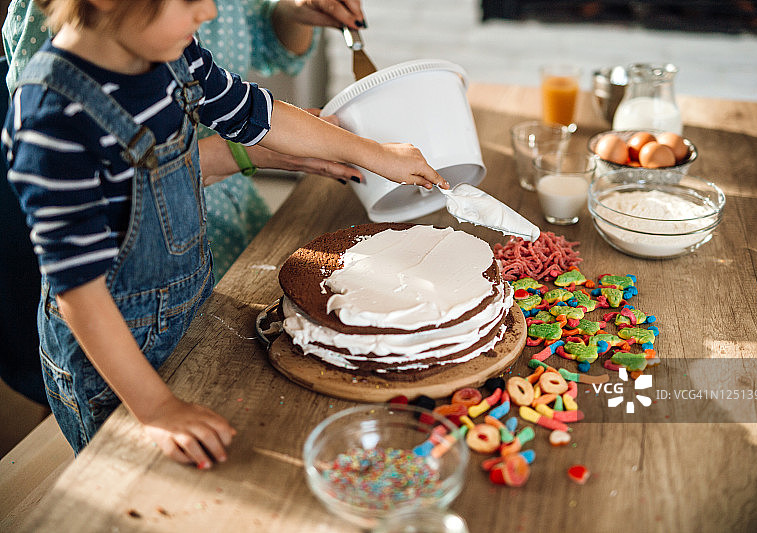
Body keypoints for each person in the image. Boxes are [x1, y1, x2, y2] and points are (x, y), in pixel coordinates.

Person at [3, 0, 447, 468]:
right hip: (115, 364)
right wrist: (157, 410)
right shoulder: (51, 118)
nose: (209, 12)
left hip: (192, 311)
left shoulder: (174, 54)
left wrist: (375, 153)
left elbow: (258, 113)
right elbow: (80, 294)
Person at [3, 0, 367, 281]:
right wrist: (241, 151)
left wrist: (292, 12)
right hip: (144, 254)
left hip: (231, 225)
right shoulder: (53, 95)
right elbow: (95, 192)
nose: (210, 12)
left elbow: (251, 82)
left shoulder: (187, 53)